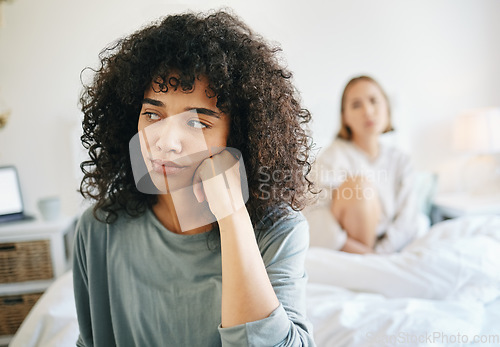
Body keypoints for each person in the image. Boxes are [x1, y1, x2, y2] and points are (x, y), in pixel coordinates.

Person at [74, 10, 316, 347]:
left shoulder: (279, 230)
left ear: (239, 136)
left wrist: (232, 216)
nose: (165, 142)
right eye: (152, 114)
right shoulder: (99, 228)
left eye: (197, 123)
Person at [305, 76, 428, 255]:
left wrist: (380, 254)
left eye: (374, 101)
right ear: (344, 117)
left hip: (385, 248)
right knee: (359, 188)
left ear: (387, 107)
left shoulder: (401, 161)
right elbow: (313, 214)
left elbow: (407, 218)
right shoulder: (331, 157)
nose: (368, 111)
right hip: (350, 246)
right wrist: (359, 252)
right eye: (356, 105)